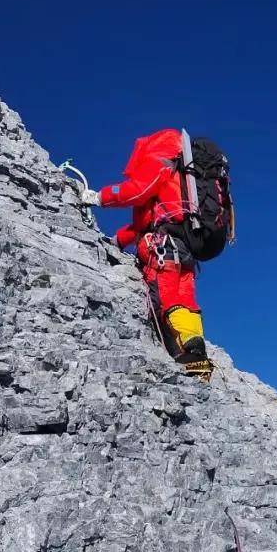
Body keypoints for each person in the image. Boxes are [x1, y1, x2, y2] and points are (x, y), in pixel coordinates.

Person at [81, 128, 215, 379]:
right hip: (186, 248)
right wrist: (118, 241)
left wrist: (100, 197)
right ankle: (197, 353)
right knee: (186, 298)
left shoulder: (160, 161)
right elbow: (143, 225)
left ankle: (189, 351)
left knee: (167, 299)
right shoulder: (183, 175)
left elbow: (137, 191)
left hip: (163, 248)